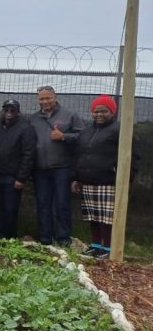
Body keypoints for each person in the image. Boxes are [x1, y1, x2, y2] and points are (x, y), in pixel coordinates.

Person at [73, 96, 132, 258]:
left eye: (104, 111)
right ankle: (96, 245)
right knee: (93, 216)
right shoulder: (86, 131)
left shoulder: (120, 130)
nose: (99, 114)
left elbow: (132, 156)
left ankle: (108, 248)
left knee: (107, 218)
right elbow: (79, 155)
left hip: (108, 182)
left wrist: (127, 179)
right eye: (96, 111)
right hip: (87, 181)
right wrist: (76, 177)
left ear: (112, 112)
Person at [30, 85, 83, 245]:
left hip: (62, 167)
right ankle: (45, 237)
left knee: (62, 204)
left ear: (55, 97)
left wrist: (64, 136)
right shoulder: (33, 118)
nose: (45, 101)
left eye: (48, 98)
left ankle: (63, 238)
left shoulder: (70, 115)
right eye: (41, 99)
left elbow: (83, 137)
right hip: (40, 168)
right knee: (43, 204)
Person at [0, 99, 37, 239]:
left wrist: (21, 178)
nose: (9, 113)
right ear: (2, 111)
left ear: (18, 112)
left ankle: (10, 237)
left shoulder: (26, 129)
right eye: (6, 110)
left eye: (12, 110)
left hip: (13, 176)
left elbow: (29, 154)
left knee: (10, 208)